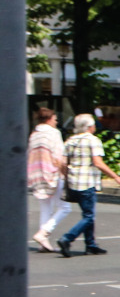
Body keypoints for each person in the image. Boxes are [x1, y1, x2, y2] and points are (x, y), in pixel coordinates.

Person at [54, 113, 120, 257]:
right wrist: (115, 176)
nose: (95, 127)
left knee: (87, 214)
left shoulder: (70, 140)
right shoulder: (93, 141)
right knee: (89, 216)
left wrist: (66, 175)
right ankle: (67, 238)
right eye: (93, 124)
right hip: (87, 183)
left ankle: (90, 245)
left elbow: (62, 163)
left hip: (73, 183)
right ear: (89, 127)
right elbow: (98, 163)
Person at [28, 107, 71, 252]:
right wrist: (65, 173)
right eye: (55, 119)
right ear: (49, 119)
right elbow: (59, 156)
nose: (56, 122)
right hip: (52, 173)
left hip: (36, 174)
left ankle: (43, 244)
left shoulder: (34, 134)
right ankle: (44, 232)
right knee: (65, 207)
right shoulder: (54, 133)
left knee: (45, 208)